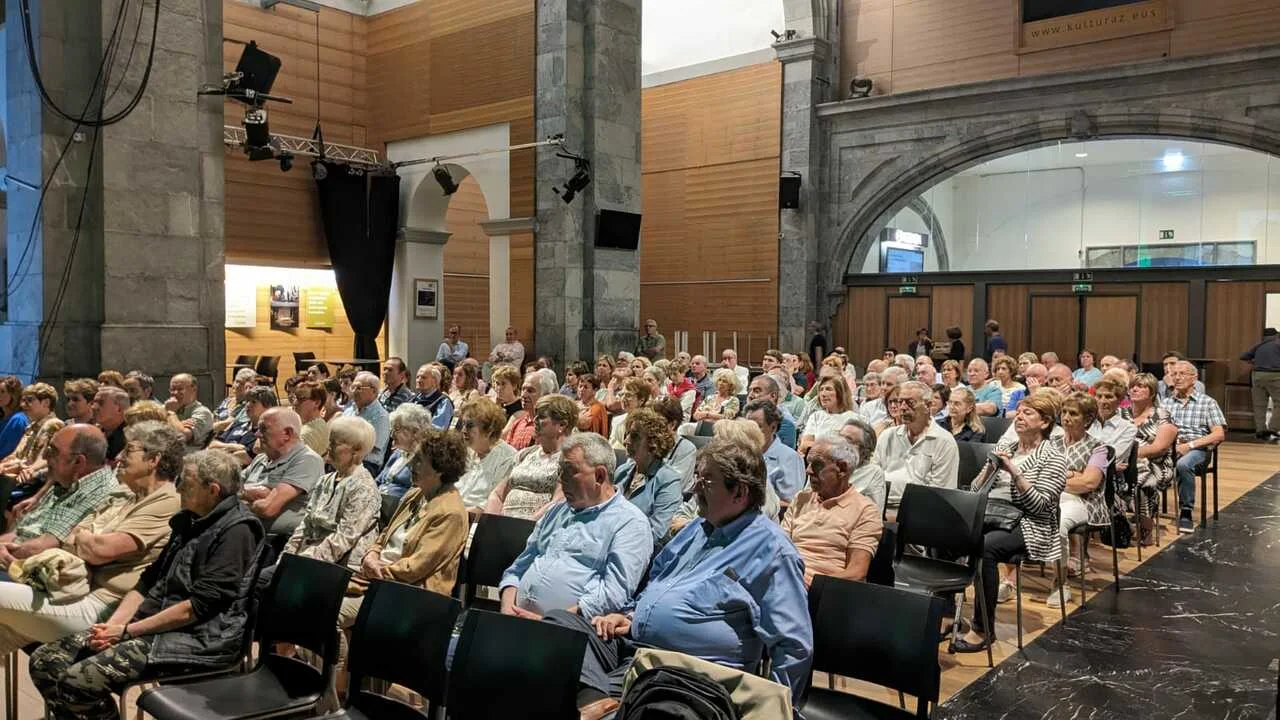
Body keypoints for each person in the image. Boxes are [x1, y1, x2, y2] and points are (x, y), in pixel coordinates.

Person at [546, 437, 812, 718]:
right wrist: (631, 616)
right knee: (559, 626)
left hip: (690, 675)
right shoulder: (697, 528)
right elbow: (657, 582)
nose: (694, 488)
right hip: (635, 650)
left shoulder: (771, 550)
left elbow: (793, 645)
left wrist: (775, 712)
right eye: (697, 477)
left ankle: (597, 704)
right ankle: (595, 700)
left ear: (739, 492)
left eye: (706, 481)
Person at [29, 450, 263, 720]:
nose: (178, 489)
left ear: (212, 490)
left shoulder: (238, 530)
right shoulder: (190, 519)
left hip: (200, 639)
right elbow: (149, 580)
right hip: (153, 626)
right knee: (46, 661)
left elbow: (198, 607)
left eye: (186, 484)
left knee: (80, 681)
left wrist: (126, 631)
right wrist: (113, 626)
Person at [0, 422, 182, 657]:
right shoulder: (125, 494)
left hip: (99, 608)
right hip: (67, 589)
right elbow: (76, 536)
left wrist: (84, 538)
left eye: (129, 451)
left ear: (153, 460)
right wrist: (86, 539)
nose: (118, 457)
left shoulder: (166, 502)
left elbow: (99, 550)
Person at [341, 428, 469, 672]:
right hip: (379, 580)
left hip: (410, 593)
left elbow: (415, 568)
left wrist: (373, 572)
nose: (412, 465)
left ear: (440, 469)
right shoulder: (415, 494)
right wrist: (371, 555)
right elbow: (383, 536)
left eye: (419, 461)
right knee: (321, 600)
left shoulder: (450, 512)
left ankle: (335, 691)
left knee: (331, 613)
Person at [953, 392, 1067, 653]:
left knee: (986, 548)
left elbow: (1039, 506)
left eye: (1028, 413)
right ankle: (948, 613)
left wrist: (1014, 471)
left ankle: (983, 629)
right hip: (990, 513)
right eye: (1019, 411)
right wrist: (991, 467)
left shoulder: (1054, 457)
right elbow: (975, 489)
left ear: (1045, 422)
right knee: (945, 534)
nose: (1019, 417)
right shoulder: (1008, 449)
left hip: (1029, 523)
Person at [500, 433, 653, 620]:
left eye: (569, 471)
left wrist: (549, 622)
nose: (560, 479)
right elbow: (517, 569)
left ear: (599, 476)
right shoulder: (557, 511)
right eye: (560, 471)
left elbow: (612, 595)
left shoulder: (630, 523)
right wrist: (507, 609)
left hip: (571, 630)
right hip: (515, 619)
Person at [0, 425, 119, 569]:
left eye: (53, 451)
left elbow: (41, 548)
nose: (45, 457)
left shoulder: (99, 492)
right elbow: (21, 533)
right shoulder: (66, 481)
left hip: (31, 569)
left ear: (78, 461)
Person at [277, 415, 380, 576]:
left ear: (357, 450)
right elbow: (305, 525)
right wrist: (285, 557)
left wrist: (301, 563)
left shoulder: (364, 488)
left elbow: (345, 538)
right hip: (305, 557)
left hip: (336, 567)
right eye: (330, 441)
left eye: (335, 443)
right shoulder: (325, 480)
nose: (329, 447)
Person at [783, 436, 882, 587]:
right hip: (783, 578)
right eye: (808, 463)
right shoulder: (801, 499)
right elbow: (780, 547)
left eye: (817, 465)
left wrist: (810, 585)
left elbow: (857, 572)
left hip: (820, 590)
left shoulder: (865, 511)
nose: (808, 471)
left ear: (841, 469)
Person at [1050, 392, 1110, 607]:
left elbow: (1088, 483)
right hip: (1050, 496)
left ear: (1087, 419)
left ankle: (1060, 584)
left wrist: (1055, 478)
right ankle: (1009, 581)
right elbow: (1035, 475)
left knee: (1057, 525)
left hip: (1083, 501)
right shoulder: (1051, 442)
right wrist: (1070, 475)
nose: (1066, 418)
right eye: (1064, 412)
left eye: (1073, 414)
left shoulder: (1098, 448)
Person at [239, 407, 325, 541]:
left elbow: (268, 508)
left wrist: (239, 499)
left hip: (276, 542)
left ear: (287, 433)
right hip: (246, 533)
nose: (257, 434)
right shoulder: (261, 458)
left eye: (263, 429)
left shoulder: (307, 460)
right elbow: (228, 488)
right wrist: (248, 494)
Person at [487, 394, 578, 520]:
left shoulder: (569, 458)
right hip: (502, 524)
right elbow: (497, 494)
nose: (534, 420)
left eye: (541, 417)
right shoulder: (525, 454)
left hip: (537, 525)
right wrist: (491, 521)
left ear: (561, 425)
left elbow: (559, 501)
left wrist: (525, 525)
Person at [1165, 360, 1226, 533]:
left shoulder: (1207, 403)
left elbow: (1218, 434)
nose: (1177, 378)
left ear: (1194, 378)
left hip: (1197, 449)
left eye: (1182, 374)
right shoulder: (1166, 403)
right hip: (1171, 447)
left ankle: (1186, 511)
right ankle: (1145, 510)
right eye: (1174, 374)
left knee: (1183, 464)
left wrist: (1189, 445)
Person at [878, 382, 959, 509]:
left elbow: (940, 495)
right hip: (880, 504)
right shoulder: (887, 436)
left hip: (919, 510)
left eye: (910, 402)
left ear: (928, 405)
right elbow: (873, 476)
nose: (902, 407)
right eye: (900, 402)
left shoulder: (944, 442)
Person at [614, 408, 684, 544]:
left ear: (653, 443)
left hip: (638, 548)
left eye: (635, 436)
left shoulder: (668, 480)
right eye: (627, 434)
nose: (626, 441)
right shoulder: (622, 471)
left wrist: (618, 541)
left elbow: (657, 532)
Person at [1123, 373, 1177, 545]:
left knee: (1142, 477)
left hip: (1157, 464)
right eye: (1132, 386)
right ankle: (1117, 524)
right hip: (1123, 462)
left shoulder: (1161, 415)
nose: (1135, 389)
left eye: (1141, 386)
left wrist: (1131, 456)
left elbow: (1159, 448)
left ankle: (1146, 528)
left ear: (1152, 392)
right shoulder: (1122, 414)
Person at [455, 398, 518, 513]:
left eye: (469, 425)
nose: (463, 430)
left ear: (489, 430)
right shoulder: (467, 452)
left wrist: (458, 514)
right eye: (463, 424)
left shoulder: (507, 458)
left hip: (475, 519)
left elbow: (493, 503)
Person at [744, 400, 806, 505]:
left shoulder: (789, 458)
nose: (750, 432)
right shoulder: (741, 453)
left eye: (758, 427)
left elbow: (790, 505)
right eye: (747, 427)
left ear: (773, 427)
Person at [374, 404, 435, 500]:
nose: (392, 435)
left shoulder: (424, 461)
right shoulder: (398, 453)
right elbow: (378, 480)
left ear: (415, 432)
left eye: (396, 429)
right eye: (392, 429)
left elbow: (415, 496)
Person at [207, 385, 277, 466]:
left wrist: (221, 451)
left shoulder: (265, 432)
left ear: (268, 407)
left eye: (253, 402)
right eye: (247, 401)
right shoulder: (238, 424)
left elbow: (245, 457)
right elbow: (212, 444)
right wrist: (234, 447)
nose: (248, 405)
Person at [343, 371, 390, 473]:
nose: (354, 391)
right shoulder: (348, 411)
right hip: (344, 459)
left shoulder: (381, 416)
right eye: (353, 387)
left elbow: (372, 447)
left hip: (367, 464)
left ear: (374, 391)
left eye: (359, 388)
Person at [838, 417, 887, 512]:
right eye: (839, 437)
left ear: (864, 451)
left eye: (848, 440)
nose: (839, 442)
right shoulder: (824, 464)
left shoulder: (873, 473)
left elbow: (874, 514)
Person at [799, 376, 857, 455]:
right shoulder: (816, 416)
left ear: (840, 393)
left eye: (828, 389)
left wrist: (817, 446)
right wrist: (834, 449)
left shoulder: (853, 419)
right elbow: (804, 445)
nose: (823, 394)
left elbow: (853, 449)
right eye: (821, 390)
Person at [652, 397, 697, 493]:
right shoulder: (645, 442)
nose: (651, 427)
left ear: (672, 425)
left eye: (657, 423)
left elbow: (673, 487)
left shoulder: (687, 449)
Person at [504, 370, 558, 451]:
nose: (524, 395)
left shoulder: (550, 426)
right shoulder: (517, 423)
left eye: (530, 391)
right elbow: (508, 452)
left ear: (545, 395)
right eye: (523, 389)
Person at [1088, 378, 1137, 468]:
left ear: (1119, 400)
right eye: (1099, 396)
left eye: (1108, 397)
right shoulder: (1087, 423)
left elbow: (1111, 458)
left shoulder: (1128, 428)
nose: (1103, 401)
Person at [1242, 328, 1280, 439]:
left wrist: (1254, 361)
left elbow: (1243, 356)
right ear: (1276, 335)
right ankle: (1273, 428)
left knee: (1259, 405)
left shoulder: (1259, 345)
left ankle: (1260, 430)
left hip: (1257, 376)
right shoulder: (1278, 343)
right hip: (1276, 376)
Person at [164, 374, 215, 452]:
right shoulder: (166, 407)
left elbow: (181, 436)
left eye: (180, 389)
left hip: (187, 456)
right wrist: (180, 424)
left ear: (194, 389)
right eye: (172, 389)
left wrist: (170, 413)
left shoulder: (202, 412)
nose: (175, 393)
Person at [747, 374, 797, 448]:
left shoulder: (785, 425)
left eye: (757, 391)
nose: (750, 396)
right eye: (749, 391)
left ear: (773, 396)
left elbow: (783, 454)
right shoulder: (741, 419)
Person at [90, 386, 132, 462]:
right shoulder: (93, 434)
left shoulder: (132, 438)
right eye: (93, 403)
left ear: (119, 409)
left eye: (100, 403)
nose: (93, 407)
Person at [609, 378, 652, 450]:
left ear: (641, 400)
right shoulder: (617, 420)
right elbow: (611, 447)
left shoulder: (649, 423)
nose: (623, 398)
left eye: (628, 395)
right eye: (622, 394)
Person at [408, 363, 454, 430]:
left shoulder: (443, 401)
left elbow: (438, 429)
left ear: (435, 381)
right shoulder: (412, 399)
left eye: (424, 377)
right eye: (417, 377)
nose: (419, 380)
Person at [291, 381, 331, 456]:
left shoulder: (309, 433)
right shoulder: (314, 424)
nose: (295, 403)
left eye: (301, 399)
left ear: (317, 403)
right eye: (295, 398)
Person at [0, 376, 29, 459]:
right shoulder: (3, 417)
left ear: (14, 395)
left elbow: (7, 452)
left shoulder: (18, 420)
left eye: (2, 391)